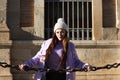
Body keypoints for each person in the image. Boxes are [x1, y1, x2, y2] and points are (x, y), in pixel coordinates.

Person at [19, 18, 90, 80]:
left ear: (65, 33)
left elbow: (76, 61)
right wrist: (26, 64)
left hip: (63, 76)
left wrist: (85, 65)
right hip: (48, 75)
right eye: (57, 32)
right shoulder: (47, 43)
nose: (60, 34)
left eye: (62, 32)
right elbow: (37, 58)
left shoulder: (70, 46)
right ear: (55, 33)